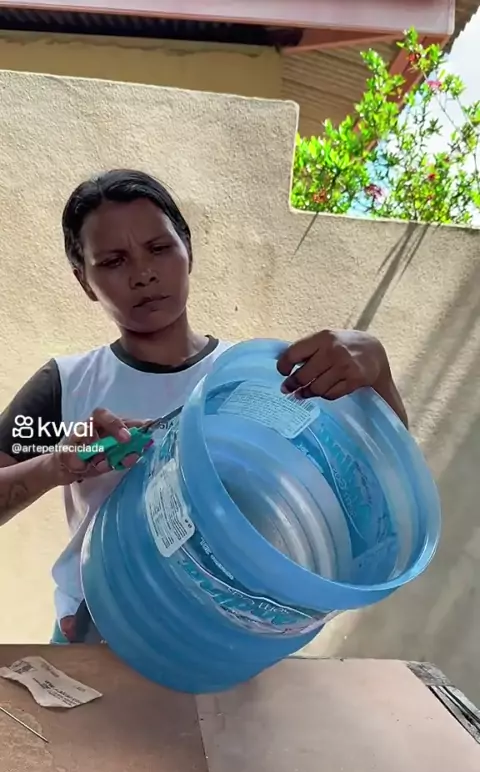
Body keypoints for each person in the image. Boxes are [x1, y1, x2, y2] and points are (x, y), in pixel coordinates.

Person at [0, 169, 408, 644]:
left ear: (187, 248)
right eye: (113, 261)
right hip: (99, 633)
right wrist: (56, 465)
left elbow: (382, 482)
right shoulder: (67, 385)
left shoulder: (259, 377)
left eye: (159, 248)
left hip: (229, 640)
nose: (143, 274)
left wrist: (378, 372)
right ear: (84, 281)